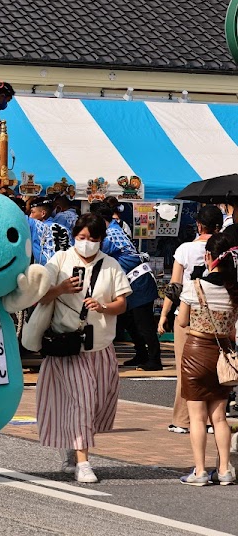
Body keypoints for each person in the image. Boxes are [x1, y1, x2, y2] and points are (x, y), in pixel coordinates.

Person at [33, 212, 131, 484]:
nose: (86, 243)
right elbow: (39, 295)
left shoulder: (110, 264)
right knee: (82, 401)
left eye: (92, 238)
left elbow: (122, 302)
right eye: (81, 237)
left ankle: (72, 449)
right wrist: (61, 288)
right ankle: (83, 462)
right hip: (68, 345)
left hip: (100, 346)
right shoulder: (60, 260)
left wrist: (104, 307)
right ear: (74, 236)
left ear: (101, 240)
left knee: (96, 403)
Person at [177, 229, 238, 485]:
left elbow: (181, 321)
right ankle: (224, 470)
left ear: (209, 256)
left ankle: (200, 471)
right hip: (223, 355)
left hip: (196, 353)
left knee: (197, 416)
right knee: (220, 416)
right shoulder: (234, 291)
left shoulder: (194, 286)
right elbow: (232, 330)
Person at [158, 203, 224, 435]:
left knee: (185, 369)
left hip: (188, 313)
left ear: (198, 225)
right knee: (214, 368)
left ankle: (182, 420)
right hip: (218, 315)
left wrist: (164, 314)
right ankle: (212, 420)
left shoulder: (185, 249)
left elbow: (175, 286)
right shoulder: (226, 249)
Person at [91, 200, 162, 372]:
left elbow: (95, 253)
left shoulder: (111, 233)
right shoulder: (113, 229)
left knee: (144, 324)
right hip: (131, 281)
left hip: (139, 280)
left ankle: (154, 359)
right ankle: (141, 354)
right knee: (129, 321)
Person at [28, 197, 69, 266]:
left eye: (32, 212)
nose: (30, 216)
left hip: (44, 270)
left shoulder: (37, 227)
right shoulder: (65, 229)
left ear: (43, 213)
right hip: (64, 270)